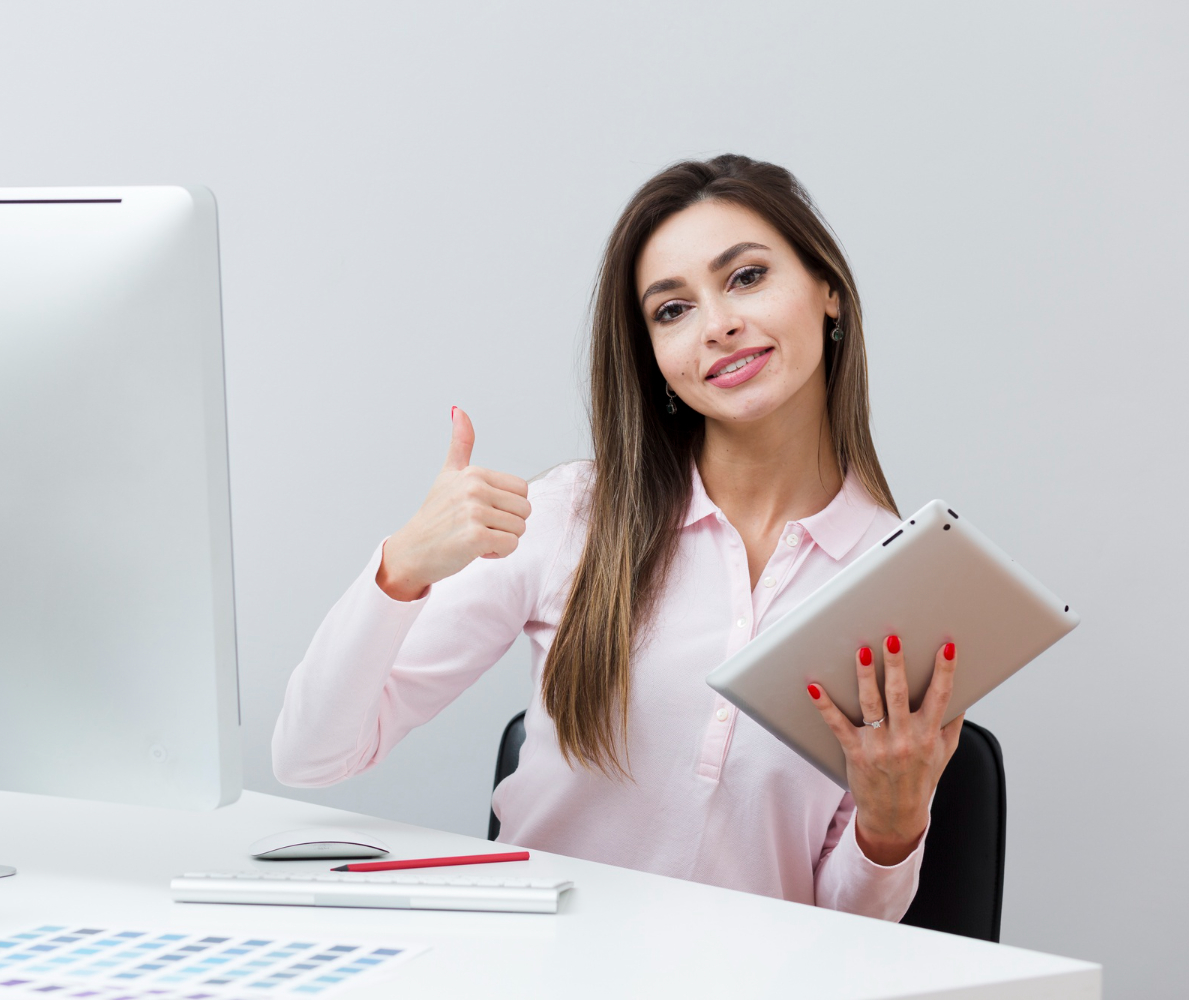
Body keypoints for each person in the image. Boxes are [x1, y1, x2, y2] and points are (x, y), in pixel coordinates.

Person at [272, 154, 965, 921]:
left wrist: (892, 827)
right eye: (673, 310)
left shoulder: (902, 580)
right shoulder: (572, 517)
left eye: (746, 277)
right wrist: (401, 567)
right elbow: (311, 757)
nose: (719, 325)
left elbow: (845, 934)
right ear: (657, 362)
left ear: (827, 289)